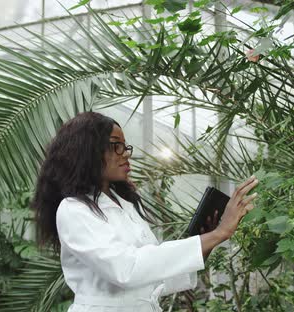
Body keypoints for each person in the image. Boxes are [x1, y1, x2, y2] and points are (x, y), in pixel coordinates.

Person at [32, 112, 259, 312]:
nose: (125, 154)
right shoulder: (73, 209)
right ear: (87, 151)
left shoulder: (125, 205)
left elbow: (153, 279)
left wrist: (208, 241)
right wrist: (218, 234)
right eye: (116, 145)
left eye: (125, 145)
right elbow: (126, 270)